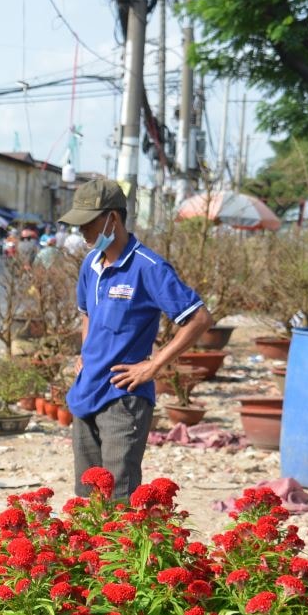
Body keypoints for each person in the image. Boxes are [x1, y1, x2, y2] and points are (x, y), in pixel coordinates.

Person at [60, 178, 212, 501]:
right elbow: (87, 312)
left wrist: (152, 366)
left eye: (88, 224)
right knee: (86, 498)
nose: (82, 233)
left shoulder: (148, 268)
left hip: (123, 398)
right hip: (86, 391)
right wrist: (85, 353)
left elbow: (199, 319)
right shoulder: (91, 264)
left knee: (118, 497)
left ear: (112, 218)